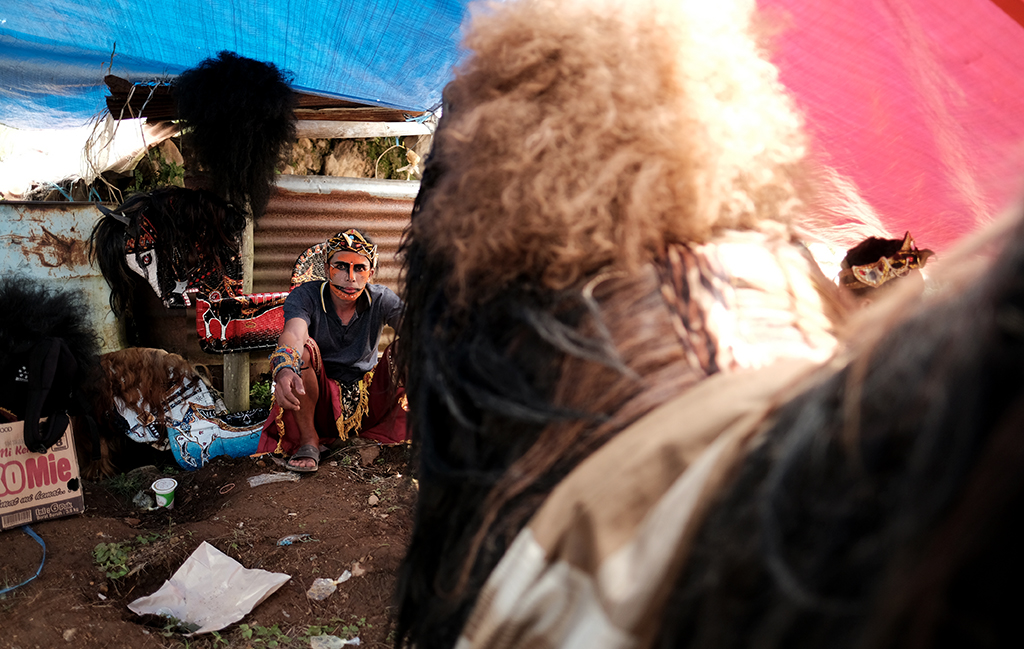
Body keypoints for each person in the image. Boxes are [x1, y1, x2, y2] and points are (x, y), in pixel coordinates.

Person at [257, 229, 405, 471]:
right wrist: (284, 369)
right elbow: (295, 334)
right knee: (305, 349)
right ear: (327, 269)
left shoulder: (381, 298)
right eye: (341, 267)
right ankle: (309, 441)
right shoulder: (306, 296)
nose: (350, 277)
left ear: (370, 273)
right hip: (317, 403)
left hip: (369, 403)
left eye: (360, 268)